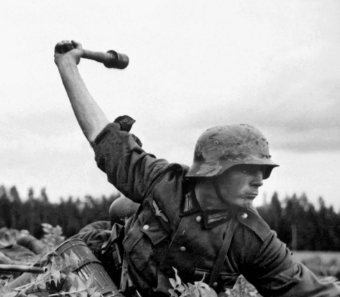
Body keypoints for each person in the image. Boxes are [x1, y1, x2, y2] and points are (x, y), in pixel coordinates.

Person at [54, 40, 340, 297]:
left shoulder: (251, 238)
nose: (259, 182)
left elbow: (307, 291)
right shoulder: (163, 181)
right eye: (246, 171)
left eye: (263, 172)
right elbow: (104, 138)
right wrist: (67, 66)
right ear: (213, 171)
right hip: (91, 269)